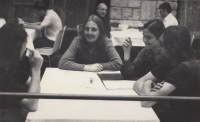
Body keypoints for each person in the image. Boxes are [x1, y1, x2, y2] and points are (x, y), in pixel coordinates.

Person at [133, 26, 200, 122]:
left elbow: (146, 102)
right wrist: (150, 94)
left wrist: (148, 84)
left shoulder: (184, 68)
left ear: (173, 47)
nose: (158, 47)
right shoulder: (169, 61)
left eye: (162, 44)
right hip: (173, 113)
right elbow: (137, 83)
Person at [0, 23, 43, 122]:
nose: (26, 49)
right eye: (26, 44)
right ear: (18, 46)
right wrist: (36, 69)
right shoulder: (2, 72)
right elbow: (32, 105)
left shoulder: (11, 63)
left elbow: (34, 85)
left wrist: (34, 69)